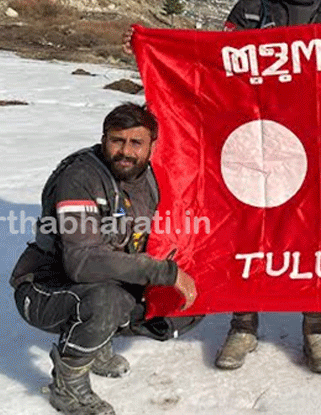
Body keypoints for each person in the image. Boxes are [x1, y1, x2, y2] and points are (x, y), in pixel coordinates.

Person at [214, 0, 321, 375]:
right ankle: (243, 324)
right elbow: (213, 67)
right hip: (255, 145)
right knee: (250, 232)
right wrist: (151, 52)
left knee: (314, 238)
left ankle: (316, 329)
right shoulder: (249, 13)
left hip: (315, 149)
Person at [10, 102, 199, 415]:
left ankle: (96, 343)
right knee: (107, 300)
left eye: (135, 142)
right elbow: (82, 262)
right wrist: (164, 272)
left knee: (187, 299)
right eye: (116, 140)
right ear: (103, 139)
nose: (125, 151)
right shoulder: (80, 177)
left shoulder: (152, 177)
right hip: (47, 287)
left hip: (105, 277)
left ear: (152, 145)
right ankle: (67, 386)